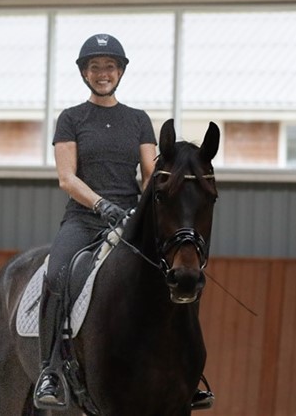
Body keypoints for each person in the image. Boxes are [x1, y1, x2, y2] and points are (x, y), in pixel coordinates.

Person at [33, 33, 214, 411]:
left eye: (110, 66)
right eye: (95, 67)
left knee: (176, 273)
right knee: (57, 274)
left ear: (120, 72)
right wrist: (101, 205)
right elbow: (67, 177)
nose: (103, 73)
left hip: (130, 221)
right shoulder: (71, 119)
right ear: (84, 73)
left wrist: (141, 207)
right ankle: (51, 368)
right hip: (84, 220)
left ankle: (186, 371)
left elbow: (150, 172)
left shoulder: (137, 120)